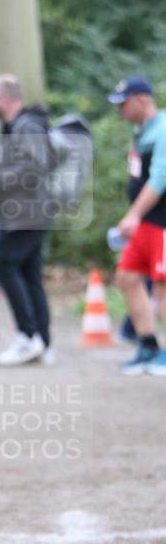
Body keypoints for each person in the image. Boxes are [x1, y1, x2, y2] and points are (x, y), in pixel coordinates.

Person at [0, 74, 55, 366]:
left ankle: (28, 337)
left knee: (3, 265)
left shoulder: (27, 127)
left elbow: (36, 168)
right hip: (23, 212)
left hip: (27, 215)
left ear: (3, 99)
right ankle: (42, 342)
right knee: (29, 274)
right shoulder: (18, 127)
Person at [108, 74, 166, 375]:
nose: (120, 110)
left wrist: (133, 214)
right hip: (145, 222)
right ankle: (148, 345)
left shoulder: (163, 129)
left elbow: (160, 178)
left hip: (161, 221)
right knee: (127, 278)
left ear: (142, 100)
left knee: (163, 286)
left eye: (124, 103)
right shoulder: (140, 131)